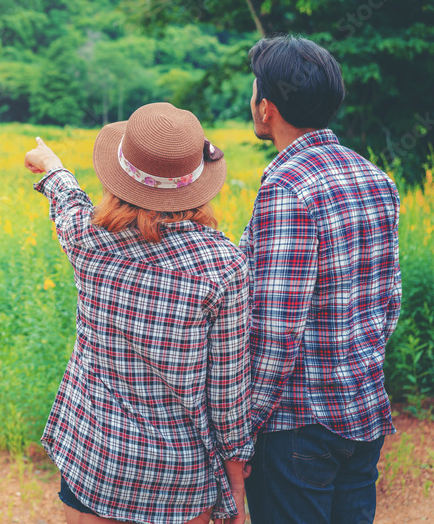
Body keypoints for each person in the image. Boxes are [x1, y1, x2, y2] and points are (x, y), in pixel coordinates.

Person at [25, 102, 253, 524]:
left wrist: (52, 165)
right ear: (195, 182)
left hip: (97, 464)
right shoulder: (224, 266)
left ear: (119, 173)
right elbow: (227, 391)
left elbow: (68, 202)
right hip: (181, 480)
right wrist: (236, 480)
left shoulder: (86, 240)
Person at [240, 35, 402, 524]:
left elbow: (276, 333)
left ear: (266, 108)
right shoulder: (374, 177)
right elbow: (388, 301)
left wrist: (243, 429)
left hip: (296, 427)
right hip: (362, 411)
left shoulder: (287, 189)